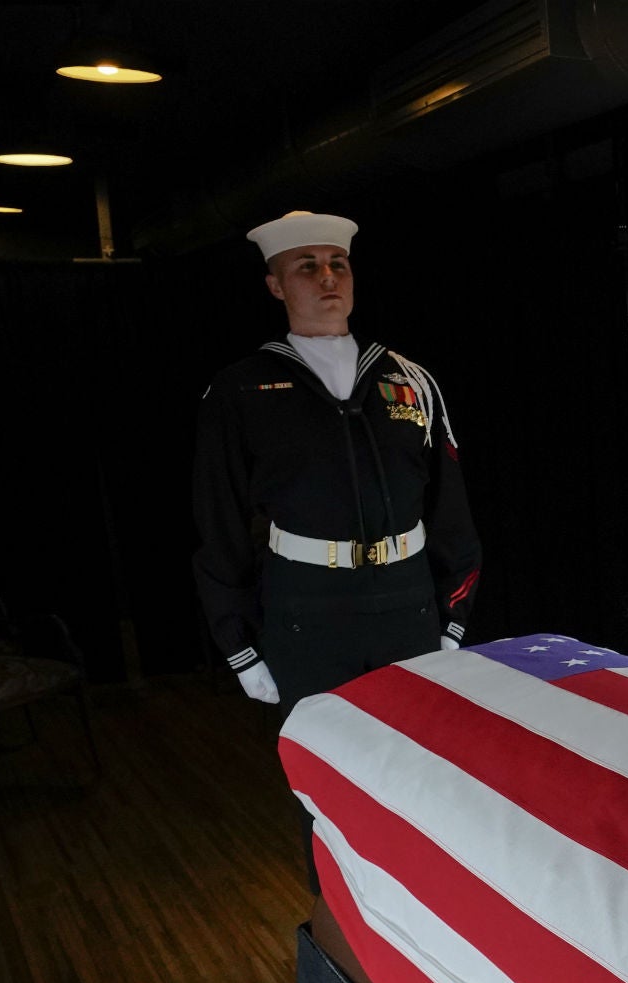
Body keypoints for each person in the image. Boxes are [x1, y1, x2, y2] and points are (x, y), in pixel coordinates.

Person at [193, 211, 482, 884]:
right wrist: (238, 644)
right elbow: (218, 524)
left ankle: (420, 920)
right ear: (274, 285)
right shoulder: (238, 390)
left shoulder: (410, 381)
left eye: (338, 264)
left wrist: (454, 617)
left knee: (417, 775)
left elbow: (451, 509)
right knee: (325, 783)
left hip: (408, 605)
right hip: (307, 613)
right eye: (307, 267)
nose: (327, 278)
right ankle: (343, 935)